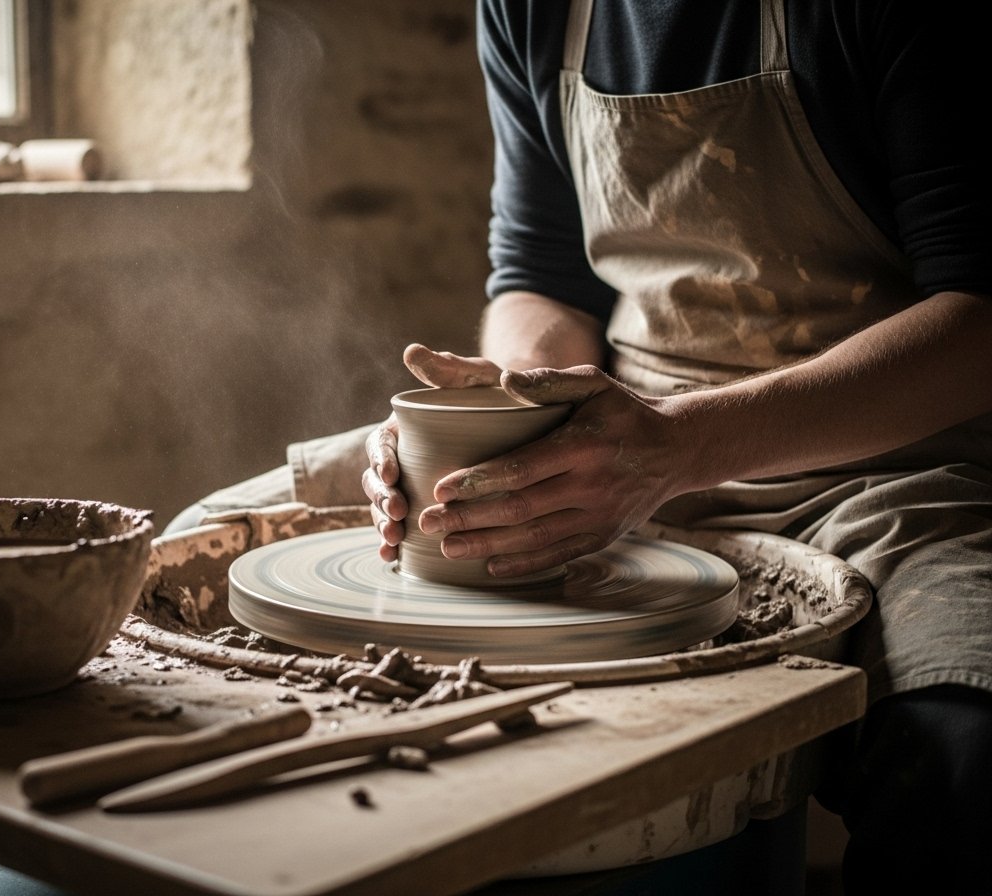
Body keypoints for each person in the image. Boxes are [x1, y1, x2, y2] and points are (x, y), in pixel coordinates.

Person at [173, 1, 992, 892]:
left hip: (883, 453)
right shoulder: (530, 7)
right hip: (611, 425)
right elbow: (539, 275)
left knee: (965, 749)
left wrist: (679, 447)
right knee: (185, 567)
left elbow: (977, 323)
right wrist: (504, 416)